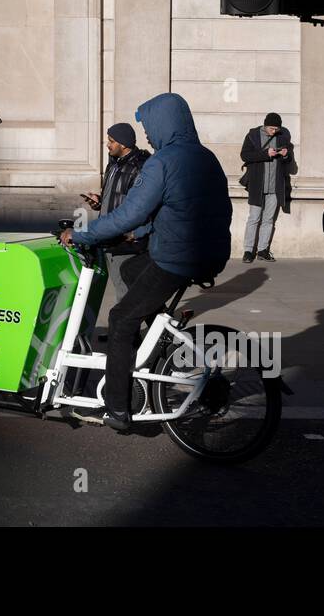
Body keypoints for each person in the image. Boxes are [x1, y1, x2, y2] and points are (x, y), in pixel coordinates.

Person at [61, 93, 232, 432]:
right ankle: (159, 342)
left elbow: (130, 212)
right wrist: (140, 231)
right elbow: (180, 208)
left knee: (121, 318)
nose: (149, 136)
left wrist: (82, 234)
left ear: (164, 123)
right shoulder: (206, 157)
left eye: (149, 127)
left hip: (177, 258)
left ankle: (117, 410)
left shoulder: (163, 161)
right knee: (130, 270)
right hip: (209, 254)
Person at [79, 122, 151, 307]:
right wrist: (100, 201)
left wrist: (133, 234)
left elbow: (141, 205)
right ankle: (130, 332)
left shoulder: (140, 167)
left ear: (124, 144)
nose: (107, 144)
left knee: (125, 290)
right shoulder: (114, 163)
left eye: (111, 141)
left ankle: (127, 335)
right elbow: (116, 197)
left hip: (125, 240)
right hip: (109, 234)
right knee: (125, 288)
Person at [239, 112, 295, 263]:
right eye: (271, 128)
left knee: (269, 219)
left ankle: (263, 250)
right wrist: (265, 154)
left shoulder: (282, 137)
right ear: (265, 125)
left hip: (275, 186)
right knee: (254, 218)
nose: (274, 131)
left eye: (276, 128)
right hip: (257, 184)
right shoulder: (253, 136)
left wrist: (285, 155)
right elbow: (244, 155)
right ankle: (248, 251)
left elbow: (289, 161)